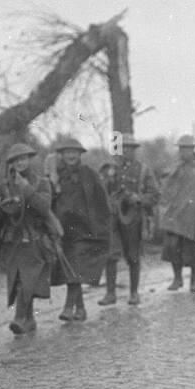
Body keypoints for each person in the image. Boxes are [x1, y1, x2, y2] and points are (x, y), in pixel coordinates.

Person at [0, 143, 58, 334]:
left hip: (34, 237)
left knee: (27, 278)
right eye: (16, 160)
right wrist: (4, 205)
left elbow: (44, 207)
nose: (20, 163)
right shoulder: (4, 186)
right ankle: (28, 319)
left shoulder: (41, 182)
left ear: (30, 159)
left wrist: (27, 190)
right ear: (11, 163)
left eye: (23, 158)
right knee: (18, 278)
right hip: (12, 240)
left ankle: (19, 318)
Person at [50, 138, 111, 322]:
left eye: (74, 152)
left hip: (85, 230)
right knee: (71, 268)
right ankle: (81, 309)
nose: (71, 156)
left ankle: (69, 307)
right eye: (67, 152)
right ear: (61, 155)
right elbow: (48, 200)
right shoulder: (55, 175)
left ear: (80, 154)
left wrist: (102, 225)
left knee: (74, 267)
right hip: (63, 229)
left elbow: (102, 200)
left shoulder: (89, 174)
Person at [100, 133, 159, 306]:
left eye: (129, 148)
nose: (125, 151)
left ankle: (134, 293)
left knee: (133, 256)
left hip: (134, 218)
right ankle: (110, 294)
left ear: (134, 151)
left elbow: (155, 194)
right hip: (113, 217)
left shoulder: (143, 170)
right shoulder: (109, 169)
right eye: (122, 148)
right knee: (110, 255)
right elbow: (100, 191)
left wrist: (139, 199)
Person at [158, 135, 195, 292]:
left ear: (193, 149)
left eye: (187, 149)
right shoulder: (175, 166)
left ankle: (194, 280)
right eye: (181, 149)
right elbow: (165, 185)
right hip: (175, 215)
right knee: (173, 247)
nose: (184, 152)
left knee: (193, 248)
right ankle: (177, 278)